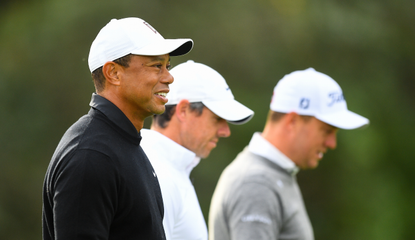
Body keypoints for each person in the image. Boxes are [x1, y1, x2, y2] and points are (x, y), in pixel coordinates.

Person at [42, 17, 193, 240]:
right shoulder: (90, 155)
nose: (169, 77)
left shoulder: (124, 143)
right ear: (113, 73)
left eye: (167, 66)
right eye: (156, 66)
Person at [208, 68, 370, 240]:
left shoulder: (274, 175)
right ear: (292, 121)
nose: (332, 143)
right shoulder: (257, 184)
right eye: (326, 131)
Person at [140, 60, 254, 240]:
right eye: (217, 119)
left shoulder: (171, 169)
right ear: (183, 110)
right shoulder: (158, 174)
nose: (225, 131)